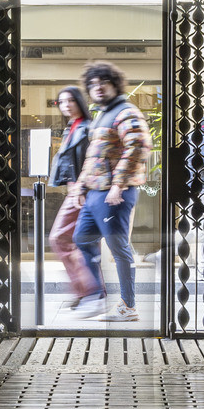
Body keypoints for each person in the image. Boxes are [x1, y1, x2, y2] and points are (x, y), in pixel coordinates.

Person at [73, 61, 151, 322]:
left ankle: (128, 306)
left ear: (115, 85)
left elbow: (138, 146)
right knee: (82, 238)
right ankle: (96, 296)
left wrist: (118, 184)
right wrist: (81, 186)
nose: (98, 87)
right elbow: (94, 157)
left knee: (118, 248)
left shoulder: (126, 111)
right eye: (93, 84)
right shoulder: (101, 115)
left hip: (115, 193)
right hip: (96, 193)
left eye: (103, 82)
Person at [45, 85, 100, 307]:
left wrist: (82, 189)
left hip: (82, 193)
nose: (66, 105)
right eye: (61, 102)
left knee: (60, 238)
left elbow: (92, 162)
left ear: (79, 102)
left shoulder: (86, 128)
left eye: (70, 100)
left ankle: (89, 291)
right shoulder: (72, 127)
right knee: (78, 242)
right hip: (75, 192)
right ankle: (90, 291)